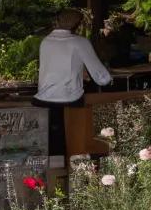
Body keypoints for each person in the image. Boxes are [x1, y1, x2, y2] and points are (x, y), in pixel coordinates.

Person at [34, 8, 112, 156]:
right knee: (74, 148)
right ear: (79, 25)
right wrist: (109, 77)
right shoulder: (80, 42)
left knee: (53, 151)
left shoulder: (46, 41)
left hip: (43, 100)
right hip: (70, 100)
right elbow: (101, 77)